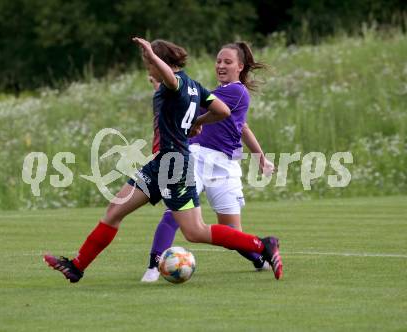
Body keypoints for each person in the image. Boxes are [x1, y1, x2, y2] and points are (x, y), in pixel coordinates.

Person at [43, 37, 283, 283]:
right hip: (160, 163)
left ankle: (262, 245)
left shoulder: (176, 82)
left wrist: (152, 56)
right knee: (114, 210)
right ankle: (77, 266)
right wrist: (194, 124)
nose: (146, 65)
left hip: (177, 166)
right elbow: (221, 111)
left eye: (147, 61)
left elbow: (175, 82)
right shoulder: (195, 87)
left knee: (194, 231)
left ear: (158, 61)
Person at [141, 42, 276, 282]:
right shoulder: (222, 92)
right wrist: (261, 157)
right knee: (174, 213)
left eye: (228, 62)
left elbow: (192, 103)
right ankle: (153, 266)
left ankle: (259, 256)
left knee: (232, 233)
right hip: (197, 157)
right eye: (218, 61)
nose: (221, 65)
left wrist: (183, 109)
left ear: (240, 67)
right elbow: (242, 126)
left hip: (225, 168)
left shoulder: (236, 92)